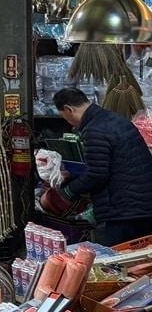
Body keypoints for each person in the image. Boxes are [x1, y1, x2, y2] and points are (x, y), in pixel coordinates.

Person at [50, 87, 152, 245]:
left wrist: (67, 192)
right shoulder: (114, 120)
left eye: (65, 118)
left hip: (123, 212)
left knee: (119, 261)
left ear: (69, 110)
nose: (69, 123)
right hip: (142, 206)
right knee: (141, 262)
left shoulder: (94, 130)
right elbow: (114, 166)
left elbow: (97, 174)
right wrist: (73, 177)